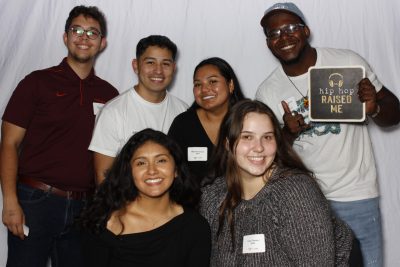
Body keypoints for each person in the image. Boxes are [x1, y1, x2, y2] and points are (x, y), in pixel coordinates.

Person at [255, 2, 400, 266]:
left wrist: (375, 107)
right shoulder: (267, 91)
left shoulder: (347, 62)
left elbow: (394, 114)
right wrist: (287, 134)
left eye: (289, 28)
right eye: (273, 33)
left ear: (306, 30)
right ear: (268, 44)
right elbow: (265, 155)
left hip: (356, 195)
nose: (283, 37)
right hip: (304, 202)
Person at [0, 5, 119, 267]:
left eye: (92, 32)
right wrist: (10, 201)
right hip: (35, 201)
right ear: (65, 37)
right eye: (76, 30)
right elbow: (9, 143)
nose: (84, 37)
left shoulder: (110, 95)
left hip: (84, 209)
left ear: (102, 43)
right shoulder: (36, 82)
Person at [200, 99, 353, 266]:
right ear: (228, 144)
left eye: (267, 137)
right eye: (247, 137)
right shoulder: (213, 197)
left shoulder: (295, 193)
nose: (258, 147)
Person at [79, 128, 211, 267]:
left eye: (161, 160)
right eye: (141, 163)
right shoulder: (105, 221)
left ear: (176, 169)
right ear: (129, 172)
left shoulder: (195, 227)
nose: (152, 171)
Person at [89, 35, 188, 184]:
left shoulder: (184, 111)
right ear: (135, 66)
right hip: (129, 205)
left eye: (165, 64)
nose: (158, 71)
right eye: (150, 62)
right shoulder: (113, 111)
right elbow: (103, 177)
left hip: (172, 205)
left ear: (173, 68)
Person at [168, 57, 245, 183]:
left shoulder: (249, 119)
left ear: (230, 85)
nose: (204, 89)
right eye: (198, 84)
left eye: (213, 81)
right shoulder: (183, 124)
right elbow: (171, 169)